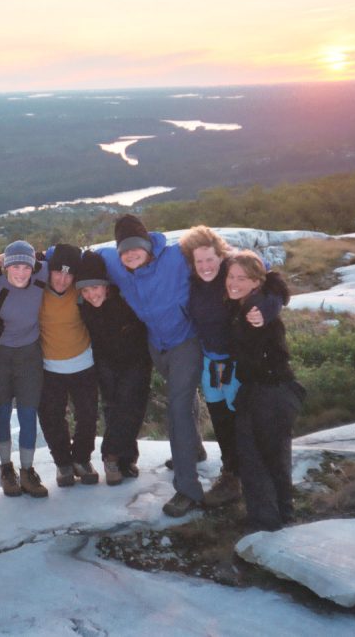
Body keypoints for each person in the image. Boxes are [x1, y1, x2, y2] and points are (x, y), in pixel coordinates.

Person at [93, 214, 204, 517]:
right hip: (157, 344)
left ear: (147, 245)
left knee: (178, 406)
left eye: (135, 247)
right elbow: (80, 256)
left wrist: (268, 288)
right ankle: (194, 447)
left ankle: (188, 489)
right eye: (123, 249)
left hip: (186, 340)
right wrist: (33, 259)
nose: (130, 254)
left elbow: (227, 262)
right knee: (182, 395)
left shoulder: (176, 257)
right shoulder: (116, 263)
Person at [179, 226, 281, 507]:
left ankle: (249, 473)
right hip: (211, 361)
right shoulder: (191, 281)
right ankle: (231, 474)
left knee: (241, 420)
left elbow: (272, 284)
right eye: (199, 261)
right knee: (220, 419)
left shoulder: (233, 270)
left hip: (237, 361)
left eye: (210, 259)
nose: (205, 266)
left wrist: (266, 308)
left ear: (220, 255)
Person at [226, 251, 304, 532]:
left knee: (256, 460)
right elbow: (277, 286)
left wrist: (269, 303)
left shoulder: (255, 309)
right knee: (273, 457)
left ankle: (267, 524)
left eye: (242, 278)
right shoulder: (248, 303)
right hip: (269, 390)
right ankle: (283, 515)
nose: (234, 283)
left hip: (270, 392)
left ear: (257, 281)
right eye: (231, 276)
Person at [76, 250, 151, 485]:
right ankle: (118, 458)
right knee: (113, 408)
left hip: (136, 359)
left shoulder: (124, 300)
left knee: (132, 407)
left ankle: (118, 457)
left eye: (95, 288)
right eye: (85, 291)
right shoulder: (84, 306)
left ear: (106, 286)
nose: (91, 295)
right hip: (106, 361)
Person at [0, 240, 49, 498]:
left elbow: (56, 256)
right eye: (15, 266)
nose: (21, 272)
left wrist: (37, 255)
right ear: (5, 267)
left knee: (27, 413)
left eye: (26, 266)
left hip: (29, 354)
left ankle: (27, 470)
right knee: (1, 411)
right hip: (0, 355)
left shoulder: (41, 278)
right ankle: (5, 468)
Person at [37, 244, 100, 487]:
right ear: (49, 271)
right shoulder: (37, 291)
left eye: (69, 273)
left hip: (83, 363)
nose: (63, 279)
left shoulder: (80, 291)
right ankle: (63, 464)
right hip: (50, 367)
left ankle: (82, 460)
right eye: (57, 272)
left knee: (87, 416)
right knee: (52, 417)